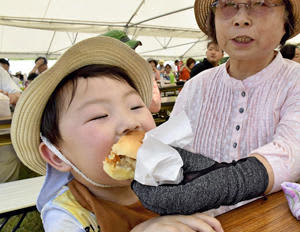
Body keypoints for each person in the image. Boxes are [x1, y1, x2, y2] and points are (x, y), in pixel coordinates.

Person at [11, 36, 223, 232]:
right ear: (57, 156)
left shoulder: (170, 177)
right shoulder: (68, 214)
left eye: (135, 106)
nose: (130, 122)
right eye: (99, 115)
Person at [131, 0, 300, 217]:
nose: (241, 19)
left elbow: (292, 151)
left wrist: (229, 182)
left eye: (261, 3)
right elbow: (169, 155)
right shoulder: (196, 87)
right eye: (228, 4)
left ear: (286, 21)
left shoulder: (295, 81)